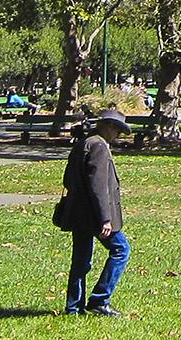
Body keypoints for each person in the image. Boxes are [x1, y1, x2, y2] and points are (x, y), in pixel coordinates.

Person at [64, 110, 131, 316]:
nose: (117, 135)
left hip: (78, 212)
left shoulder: (83, 143)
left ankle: (73, 307)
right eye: (117, 130)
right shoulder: (99, 146)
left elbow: (68, 179)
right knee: (121, 250)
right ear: (108, 126)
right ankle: (100, 299)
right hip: (95, 214)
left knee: (81, 261)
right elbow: (99, 186)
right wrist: (105, 218)